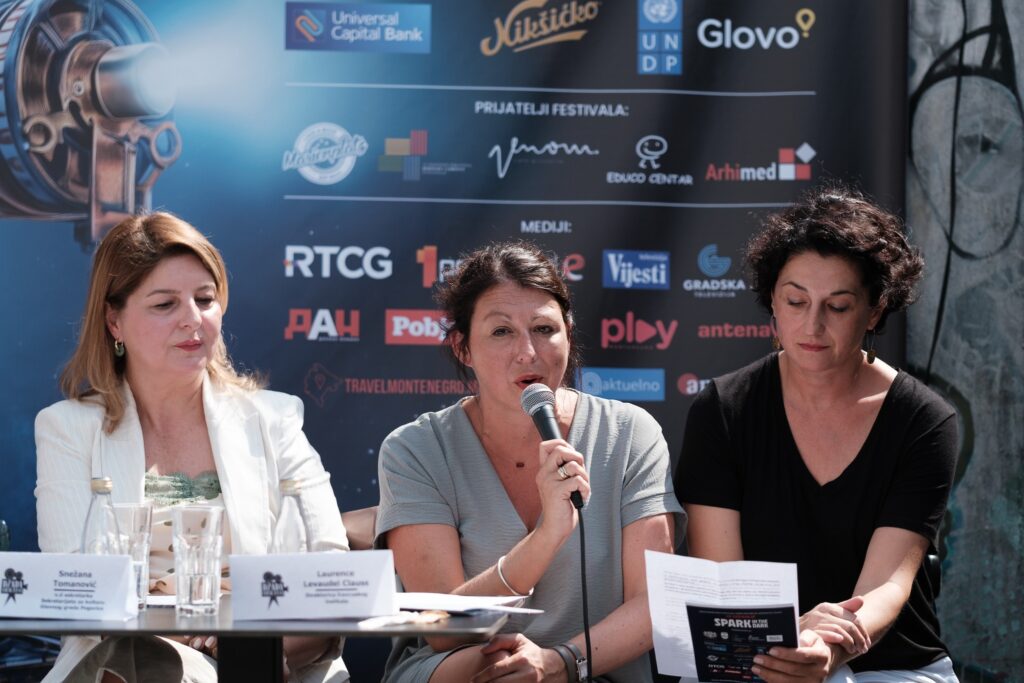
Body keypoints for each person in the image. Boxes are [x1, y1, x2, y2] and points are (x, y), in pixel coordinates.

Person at [35, 212, 350, 683]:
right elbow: (75, 589)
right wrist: (200, 638)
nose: (193, 319)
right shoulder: (67, 429)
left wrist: (253, 650)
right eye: (165, 304)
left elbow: (330, 575)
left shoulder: (275, 418)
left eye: (205, 299)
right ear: (114, 320)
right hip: (121, 666)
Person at [676, 187, 959, 683]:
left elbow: (887, 586)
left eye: (839, 306)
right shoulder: (722, 410)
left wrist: (827, 647)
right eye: (796, 301)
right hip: (752, 653)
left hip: (889, 664)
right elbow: (724, 582)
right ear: (773, 301)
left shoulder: (924, 420)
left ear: (875, 311)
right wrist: (790, 640)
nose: (812, 324)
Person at [375, 241, 685, 682]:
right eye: (502, 332)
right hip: (467, 667)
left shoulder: (630, 433)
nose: (528, 352)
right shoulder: (415, 449)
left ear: (568, 334)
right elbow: (443, 629)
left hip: (588, 668)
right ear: (463, 348)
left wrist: (560, 662)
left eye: (544, 329)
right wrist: (547, 536)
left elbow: (653, 602)